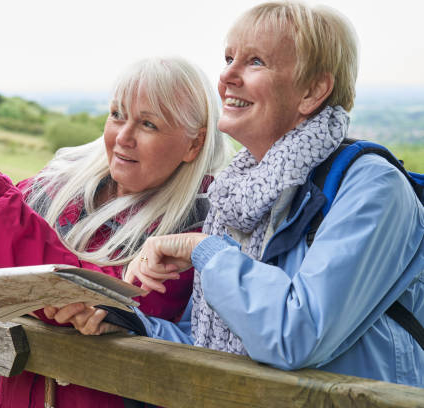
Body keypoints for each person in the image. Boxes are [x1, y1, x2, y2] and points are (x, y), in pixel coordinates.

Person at [55, 2, 424, 387]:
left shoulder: (370, 187)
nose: (227, 76)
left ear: (313, 91)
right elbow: (208, 344)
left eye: (256, 62)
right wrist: (128, 323)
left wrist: (204, 251)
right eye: (229, 57)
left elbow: (295, 336)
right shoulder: (238, 194)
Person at [0, 57, 233, 406]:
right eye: (117, 115)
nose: (123, 137)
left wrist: (16, 283)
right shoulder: (61, 183)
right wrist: (24, 292)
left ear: (194, 144)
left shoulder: (197, 229)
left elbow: (104, 301)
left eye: (148, 124)